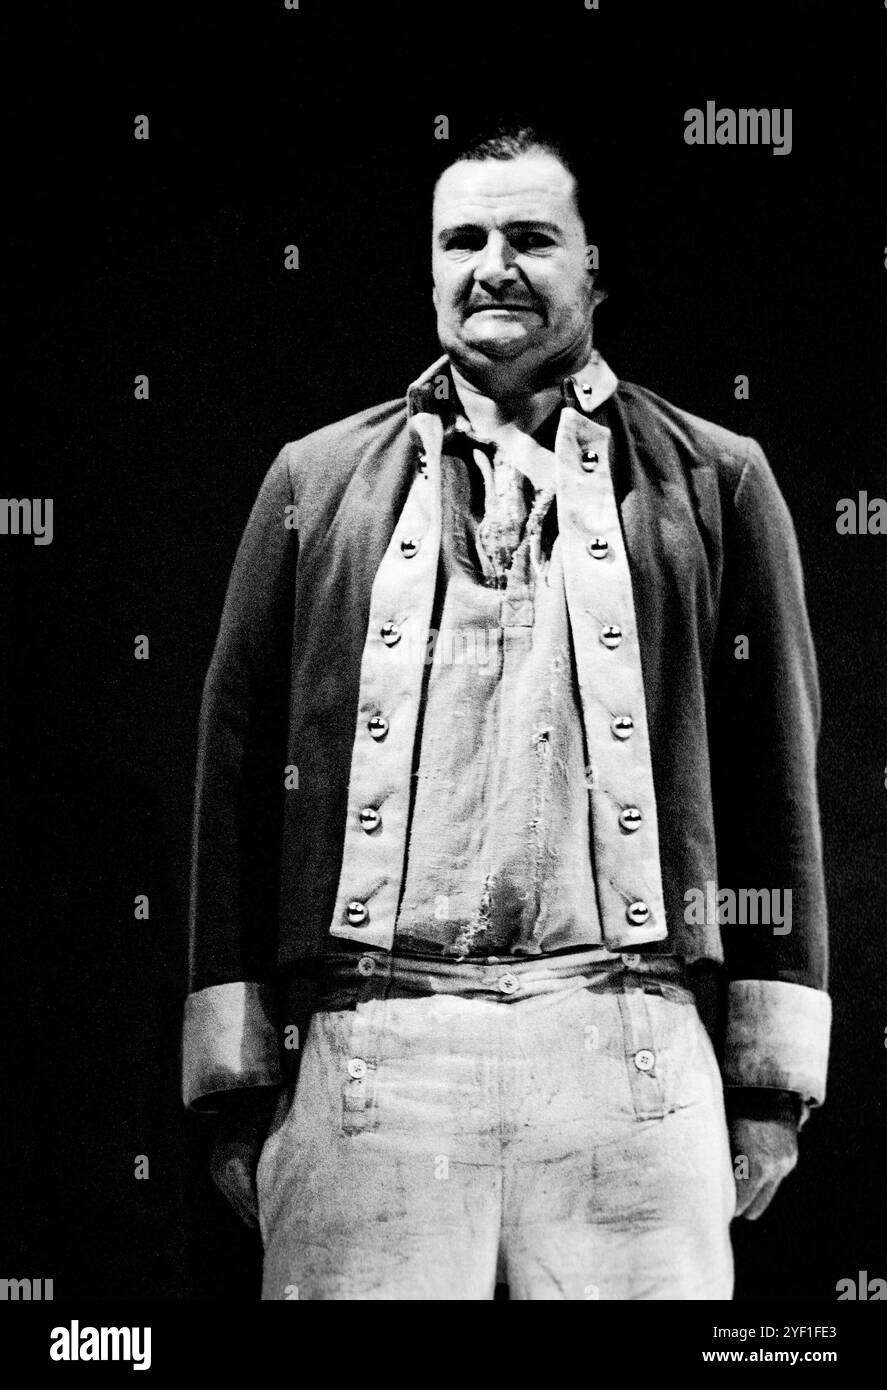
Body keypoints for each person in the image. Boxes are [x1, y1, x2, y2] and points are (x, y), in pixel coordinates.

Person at [181, 124, 830, 1300]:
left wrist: (768, 1085)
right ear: (429, 269)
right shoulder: (313, 480)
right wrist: (233, 1081)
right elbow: (234, 779)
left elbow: (770, 776)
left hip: (624, 1042)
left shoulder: (716, 477)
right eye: (462, 239)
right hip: (373, 1046)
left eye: (530, 238)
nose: (494, 265)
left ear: (593, 269)